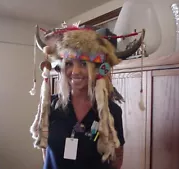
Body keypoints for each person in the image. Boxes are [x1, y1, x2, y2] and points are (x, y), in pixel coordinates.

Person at [29, 23, 144, 169]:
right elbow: (45, 151)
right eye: (69, 63)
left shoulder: (111, 112)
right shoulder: (50, 105)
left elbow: (116, 160)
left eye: (83, 64)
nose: (75, 71)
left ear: (97, 70)